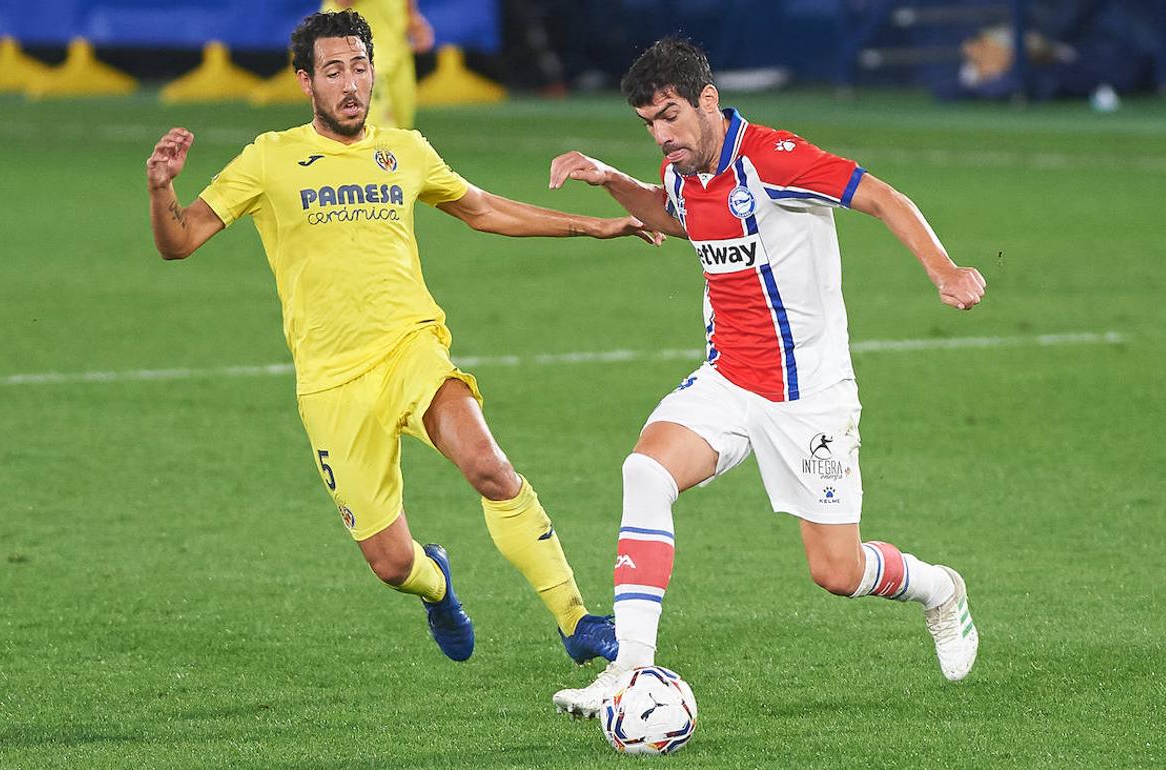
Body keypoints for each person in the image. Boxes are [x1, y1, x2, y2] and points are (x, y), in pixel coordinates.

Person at [146, 10, 661, 664]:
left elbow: (483, 209)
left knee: (490, 467)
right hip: (332, 382)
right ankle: (437, 581)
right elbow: (180, 240)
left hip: (411, 349)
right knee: (392, 563)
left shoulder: (405, 151)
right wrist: (161, 190)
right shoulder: (270, 160)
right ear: (306, 82)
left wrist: (594, 226)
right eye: (333, 71)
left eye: (360, 66)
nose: (351, 83)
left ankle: (577, 620)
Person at [548, 37, 986, 716]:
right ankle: (630, 671)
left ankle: (939, 589)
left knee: (836, 571)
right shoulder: (684, 173)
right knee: (644, 472)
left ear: (708, 101)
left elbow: (882, 197)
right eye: (648, 125)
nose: (662, 136)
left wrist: (945, 270)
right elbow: (681, 218)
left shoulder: (776, 160)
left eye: (670, 116)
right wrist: (612, 181)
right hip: (728, 381)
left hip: (809, 394)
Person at [321, 0, 432, 128]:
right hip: (354, 49)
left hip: (396, 48)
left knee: (402, 131)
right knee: (370, 132)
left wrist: (412, 16)